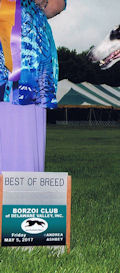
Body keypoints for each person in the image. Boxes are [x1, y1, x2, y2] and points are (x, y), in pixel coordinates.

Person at [0, 0, 67, 172]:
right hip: (19, 40)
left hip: (28, 51)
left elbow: (56, 5)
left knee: (24, 121)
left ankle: (23, 187)